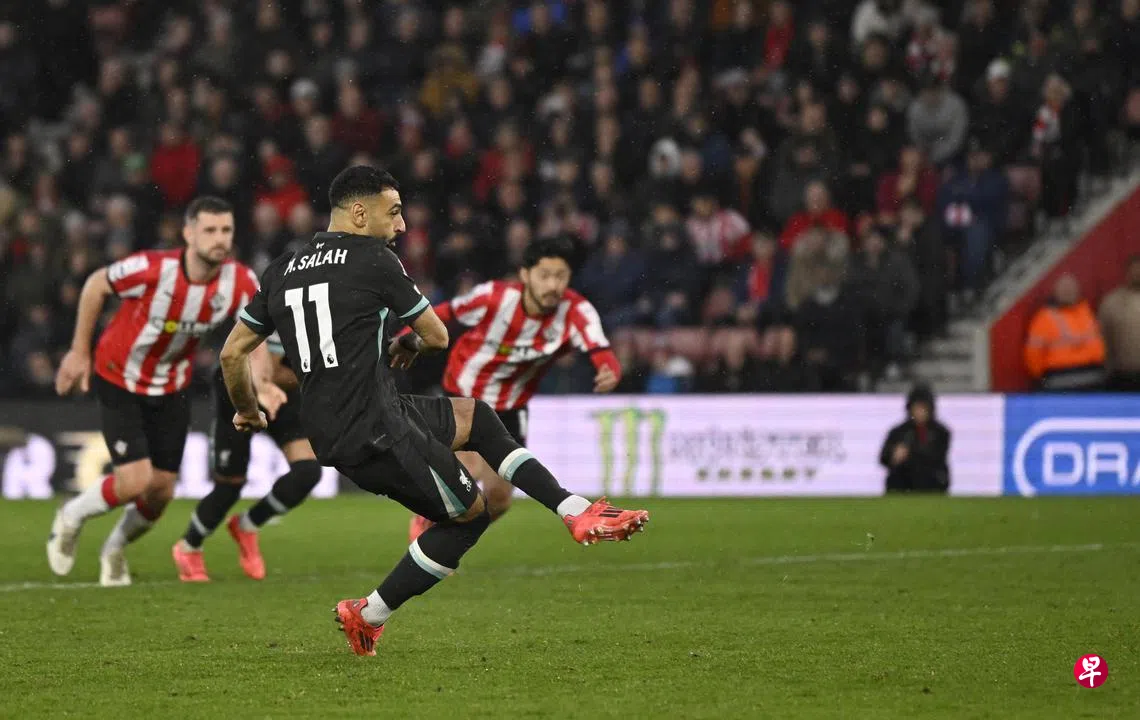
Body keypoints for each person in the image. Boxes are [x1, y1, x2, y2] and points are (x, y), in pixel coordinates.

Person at [219, 166, 649, 657]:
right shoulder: (375, 260)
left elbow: (232, 354)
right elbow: (438, 334)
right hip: (375, 427)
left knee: (477, 417)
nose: (401, 225)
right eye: (394, 212)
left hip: (342, 420)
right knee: (470, 518)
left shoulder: (282, 268)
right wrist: (412, 344)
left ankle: (574, 510)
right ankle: (367, 614)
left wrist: (248, 411)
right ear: (359, 213)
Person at [48, 197, 266, 586]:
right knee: (134, 481)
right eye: (210, 230)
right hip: (120, 377)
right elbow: (97, 284)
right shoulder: (154, 268)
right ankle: (71, 516)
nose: (220, 239)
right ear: (188, 234)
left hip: (171, 385)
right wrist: (79, 351)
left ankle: (114, 550)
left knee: (161, 492)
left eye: (226, 230)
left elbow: (256, 334)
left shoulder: (241, 281)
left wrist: (261, 383)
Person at [405, 235, 624, 541]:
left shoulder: (576, 311)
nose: (553, 285)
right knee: (467, 475)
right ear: (525, 275)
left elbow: (600, 350)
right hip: (464, 395)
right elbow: (443, 314)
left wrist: (609, 370)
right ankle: (434, 538)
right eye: (544, 275)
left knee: (499, 500)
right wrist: (403, 340)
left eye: (560, 276)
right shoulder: (493, 297)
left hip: (511, 407)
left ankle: (439, 533)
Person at [171, 330, 321, 582]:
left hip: (282, 394)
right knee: (230, 486)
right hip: (239, 388)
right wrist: (323, 376)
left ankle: (247, 525)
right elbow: (272, 372)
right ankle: (189, 546)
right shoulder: (284, 311)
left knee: (308, 471)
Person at [1024, 273, 1106, 391]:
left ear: (1078, 291)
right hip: (1060, 382)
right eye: (1064, 290)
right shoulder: (1044, 318)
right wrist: (1042, 378)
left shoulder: (1087, 312)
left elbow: (1099, 343)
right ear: (1055, 292)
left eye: (1071, 289)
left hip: (1094, 379)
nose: (1068, 292)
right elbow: (1033, 354)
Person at [879, 384, 951, 493]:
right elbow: (883, 458)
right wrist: (893, 455)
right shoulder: (899, 431)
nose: (919, 412)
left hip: (931, 483)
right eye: (916, 408)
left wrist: (909, 453)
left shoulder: (941, 432)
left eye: (923, 408)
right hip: (903, 483)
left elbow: (936, 457)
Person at [1097, 255, 1140, 391]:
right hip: (1124, 375)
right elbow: (1102, 338)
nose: (1137, 274)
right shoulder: (1112, 302)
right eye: (1134, 270)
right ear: (1127, 273)